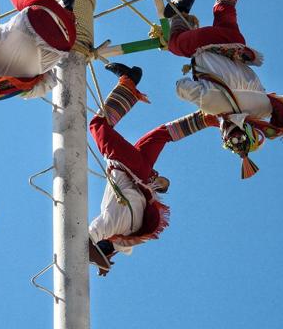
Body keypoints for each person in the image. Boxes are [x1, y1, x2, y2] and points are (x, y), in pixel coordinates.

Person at [163, 0, 283, 179]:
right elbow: (181, 87)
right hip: (206, 44)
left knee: (224, 9)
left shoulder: (263, 107)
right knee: (177, 46)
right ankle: (179, 13)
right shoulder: (215, 105)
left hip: (234, 44)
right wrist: (208, 107)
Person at [88, 63, 219, 275]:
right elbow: (88, 239)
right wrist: (97, 258)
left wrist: (103, 260)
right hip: (127, 166)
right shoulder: (111, 226)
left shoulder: (133, 230)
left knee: (160, 135)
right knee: (97, 126)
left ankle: (207, 118)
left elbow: (119, 246)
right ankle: (128, 83)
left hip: (143, 174)